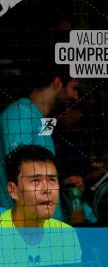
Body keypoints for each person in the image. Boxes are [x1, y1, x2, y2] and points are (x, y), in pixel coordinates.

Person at [0, 62, 80, 216]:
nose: (75, 96)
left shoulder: (43, 120)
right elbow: (20, 175)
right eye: (74, 88)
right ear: (57, 83)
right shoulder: (19, 114)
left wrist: (63, 183)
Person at [0, 145, 82, 267]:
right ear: (13, 190)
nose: (47, 189)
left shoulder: (66, 234)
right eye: (35, 181)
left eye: (52, 179)